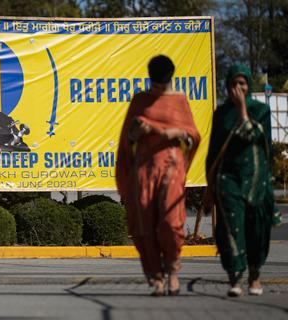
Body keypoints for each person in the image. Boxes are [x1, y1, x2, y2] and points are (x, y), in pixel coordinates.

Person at [116, 55, 200, 296]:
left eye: (163, 84)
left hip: (171, 167)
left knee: (170, 223)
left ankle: (173, 269)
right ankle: (155, 276)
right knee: (143, 223)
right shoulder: (140, 100)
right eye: (156, 84)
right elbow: (126, 140)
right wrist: (137, 133)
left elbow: (192, 135)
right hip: (144, 169)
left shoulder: (179, 100)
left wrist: (173, 132)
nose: (159, 89)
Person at [204, 64, 275, 297]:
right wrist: (209, 185)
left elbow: (254, 136)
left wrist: (243, 109)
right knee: (231, 227)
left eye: (242, 83)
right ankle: (235, 277)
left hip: (256, 179)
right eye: (234, 84)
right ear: (227, 86)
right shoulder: (221, 114)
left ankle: (255, 276)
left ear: (249, 86)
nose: (238, 88)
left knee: (256, 228)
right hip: (228, 180)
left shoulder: (261, 111)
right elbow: (213, 152)